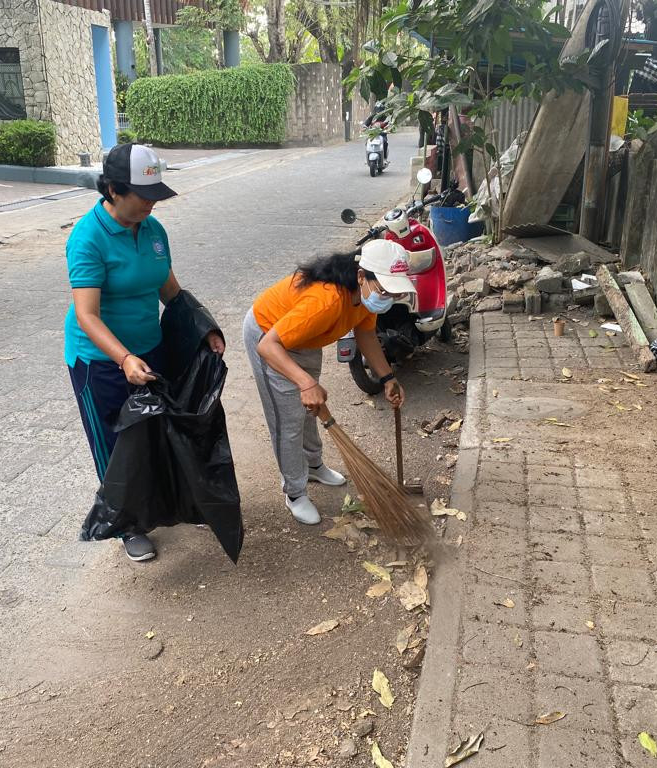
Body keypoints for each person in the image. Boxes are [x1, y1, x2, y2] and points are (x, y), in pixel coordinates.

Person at [65, 143, 224, 563]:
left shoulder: (153, 230)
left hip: (149, 350)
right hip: (99, 362)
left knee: (158, 433)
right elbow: (87, 315)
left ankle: (173, 502)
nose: (151, 204)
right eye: (143, 195)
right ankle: (128, 524)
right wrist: (123, 359)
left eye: (156, 195)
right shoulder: (88, 237)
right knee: (117, 445)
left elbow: (168, 289)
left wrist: (203, 328)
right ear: (114, 190)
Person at [243, 241, 412, 525]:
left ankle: (313, 465)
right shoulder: (327, 302)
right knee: (288, 420)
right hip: (269, 335)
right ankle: (294, 493)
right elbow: (268, 346)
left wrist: (388, 378)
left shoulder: (365, 295)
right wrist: (305, 383)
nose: (388, 298)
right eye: (385, 290)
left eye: (395, 293)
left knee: (308, 410)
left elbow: (366, 334)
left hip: (304, 337)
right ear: (362, 276)